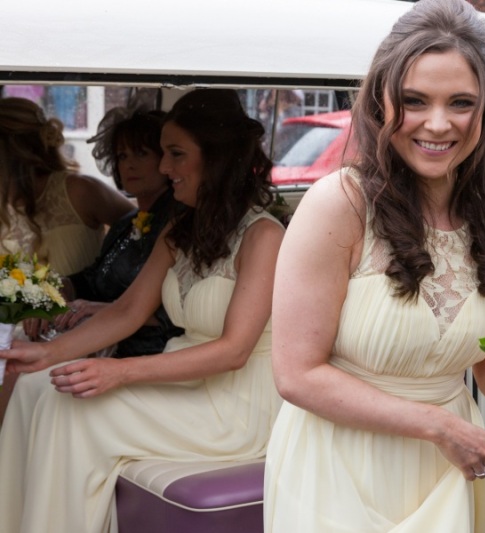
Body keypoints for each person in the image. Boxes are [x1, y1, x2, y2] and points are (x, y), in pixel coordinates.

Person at [263, 0, 485, 531]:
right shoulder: (340, 204)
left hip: (445, 469)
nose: (438, 123)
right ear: (381, 102)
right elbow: (297, 374)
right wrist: (436, 425)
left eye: (460, 103)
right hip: (339, 469)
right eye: (414, 100)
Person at [0, 88, 284, 533]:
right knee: (35, 384)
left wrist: (120, 373)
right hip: (182, 380)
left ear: (218, 158)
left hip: (236, 406)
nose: (164, 167)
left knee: (71, 408)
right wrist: (48, 354)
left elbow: (233, 351)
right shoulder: (179, 228)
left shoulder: (263, 237)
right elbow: (128, 311)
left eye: (175, 154)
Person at [0, 96, 135, 422]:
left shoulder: (77, 190)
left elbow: (139, 235)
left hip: (80, 325)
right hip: (16, 327)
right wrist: (30, 298)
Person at [57, 107, 184, 357]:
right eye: (122, 156)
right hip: (103, 342)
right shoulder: (125, 223)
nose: (129, 165)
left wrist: (105, 310)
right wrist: (59, 288)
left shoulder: (178, 223)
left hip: (150, 351)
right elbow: (94, 278)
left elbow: (178, 310)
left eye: (141, 153)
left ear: (165, 160)